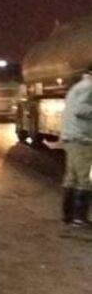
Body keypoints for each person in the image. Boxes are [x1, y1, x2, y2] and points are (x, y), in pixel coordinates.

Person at [61, 65, 92, 226]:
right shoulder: (90, 87)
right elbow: (81, 109)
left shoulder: (78, 87)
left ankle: (68, 215)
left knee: (71, 178)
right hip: (82, 138)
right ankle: (79, 217)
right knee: (84, 179)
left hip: (72, 137)